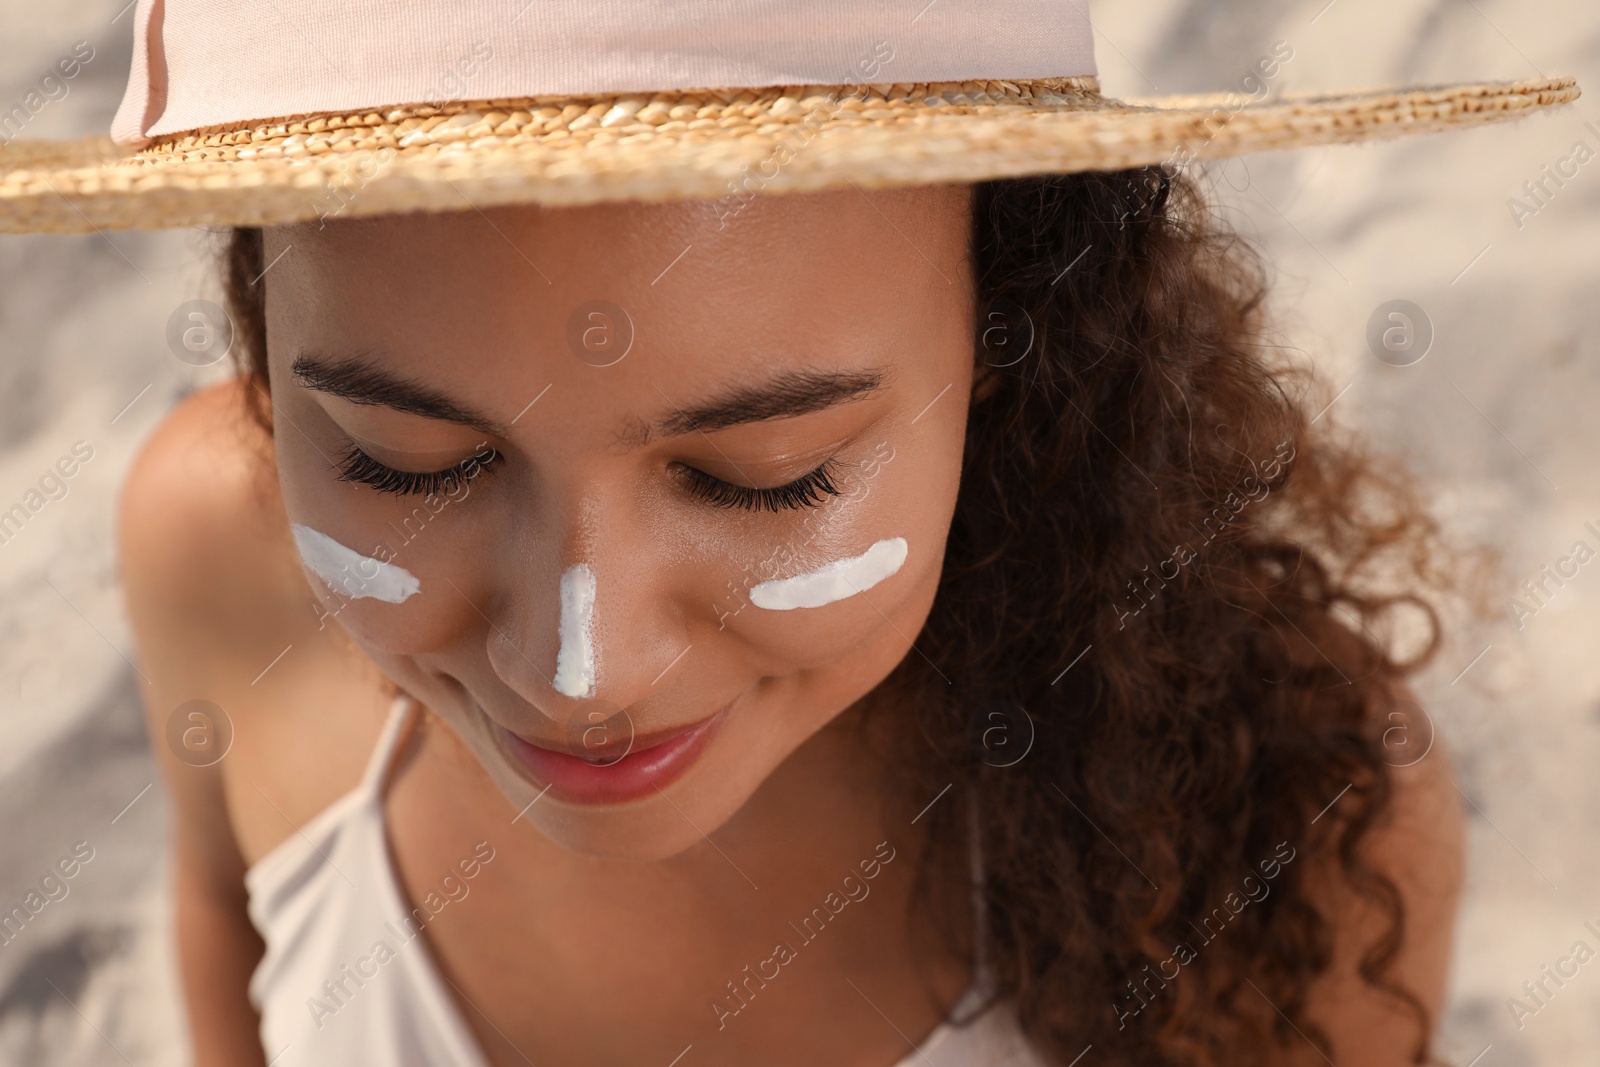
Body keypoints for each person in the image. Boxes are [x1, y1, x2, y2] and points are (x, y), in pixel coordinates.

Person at [3, 3, 1579, 1064]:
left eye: (762, 476)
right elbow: (231, 934)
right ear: (261, 348)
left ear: (1017, 350)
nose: (582, 671)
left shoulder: (1273, 810)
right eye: (407, 464)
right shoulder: (214, 543)